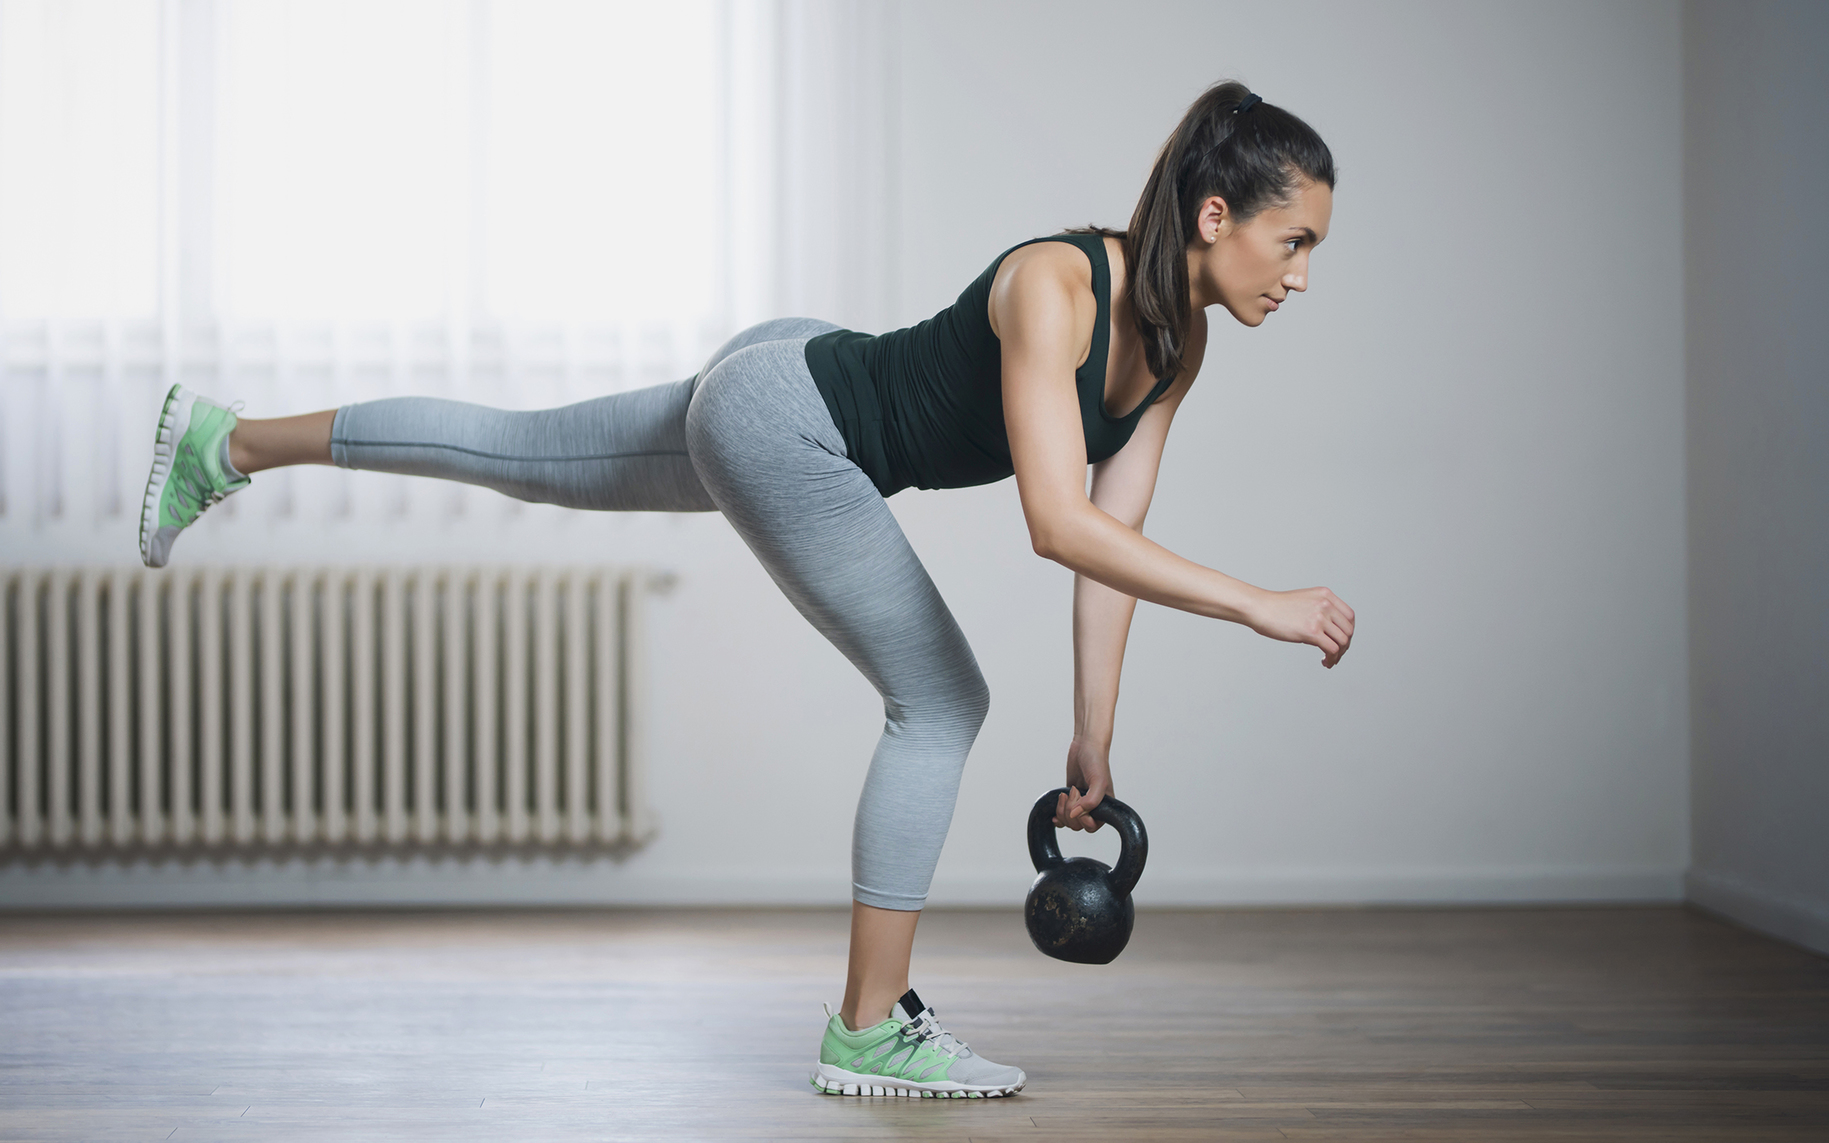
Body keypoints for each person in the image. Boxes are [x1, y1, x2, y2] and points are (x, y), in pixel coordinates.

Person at [137, 80, 1353, 1099]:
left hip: (788, 382)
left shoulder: (1174, 354)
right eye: (1293, 242)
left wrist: (1093, 740)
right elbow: (1055, 522)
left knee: (519, 451)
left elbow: (1110, 550)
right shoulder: (1060, 285)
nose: (1300, 277)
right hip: (791, 421)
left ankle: (225, 442)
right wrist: (1257, 602)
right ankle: (868, 1030)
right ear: (1212, 216)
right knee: (939, 702)